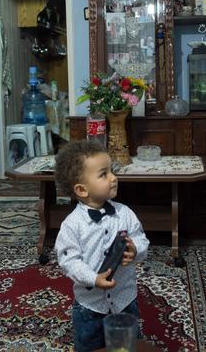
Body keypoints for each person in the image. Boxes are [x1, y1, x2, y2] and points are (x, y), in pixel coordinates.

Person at [54, 140, 150, 351]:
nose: (113, 178)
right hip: (90, 307)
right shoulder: (71, 225)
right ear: (81, 189)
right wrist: (93, 279)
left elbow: (141, 238)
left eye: (112, 171)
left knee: (128, 345)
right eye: (103, 174)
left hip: (125, 300)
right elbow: (69, 261)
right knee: (89, 347)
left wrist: (135, 250)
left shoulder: (125, 212)